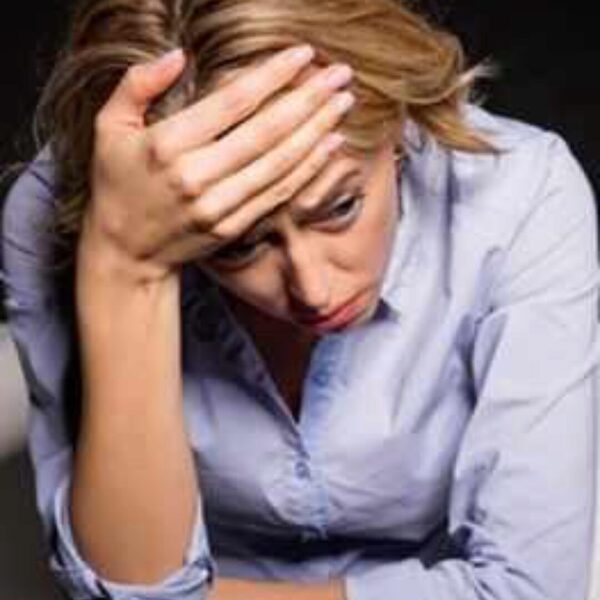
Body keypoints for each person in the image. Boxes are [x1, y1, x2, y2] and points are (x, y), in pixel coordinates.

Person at [2, 0, 599, 599]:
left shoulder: (521, 196)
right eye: (237, 246)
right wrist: (127, 265)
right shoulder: (61, 218)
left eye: (340, 207)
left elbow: (531, 590)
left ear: (394, 122)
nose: (314, 289)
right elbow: (127, 584)